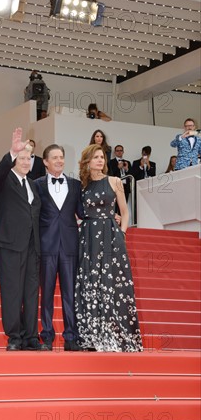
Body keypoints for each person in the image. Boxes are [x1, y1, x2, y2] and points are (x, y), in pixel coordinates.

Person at [74, 144, 143, 352]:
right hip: (87, 237)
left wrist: (122, 232)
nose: (100, 161)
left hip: (111, 236)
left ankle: (115, 334)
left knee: (113, 283)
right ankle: (92, 336)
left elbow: (125, 211)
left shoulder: (114, 181)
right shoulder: (81, 186)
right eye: (95, 157)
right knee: (90, 282)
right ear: (87, 161)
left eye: (102, 157)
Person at [0, 128, 47, 351]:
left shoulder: (33, 185)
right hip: (9, 246)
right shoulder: (4, 181)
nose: (26, 162)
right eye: (22, 158)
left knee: (31, 292)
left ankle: (31, 337)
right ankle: (14, 336)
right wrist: (11, 153)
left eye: (29, 158)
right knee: (12, 291)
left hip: (33, 247)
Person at [34, 144, 84, 351]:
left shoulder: (75, 184)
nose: (59, 160)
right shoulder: (36, 184)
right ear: (45, 162)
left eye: (61, 157)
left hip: (70, 246)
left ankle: (71, 337)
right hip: (46, 245)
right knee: (45, 294)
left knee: (70, 293)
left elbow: (82, 212)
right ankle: (46, 336)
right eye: (54, 157)